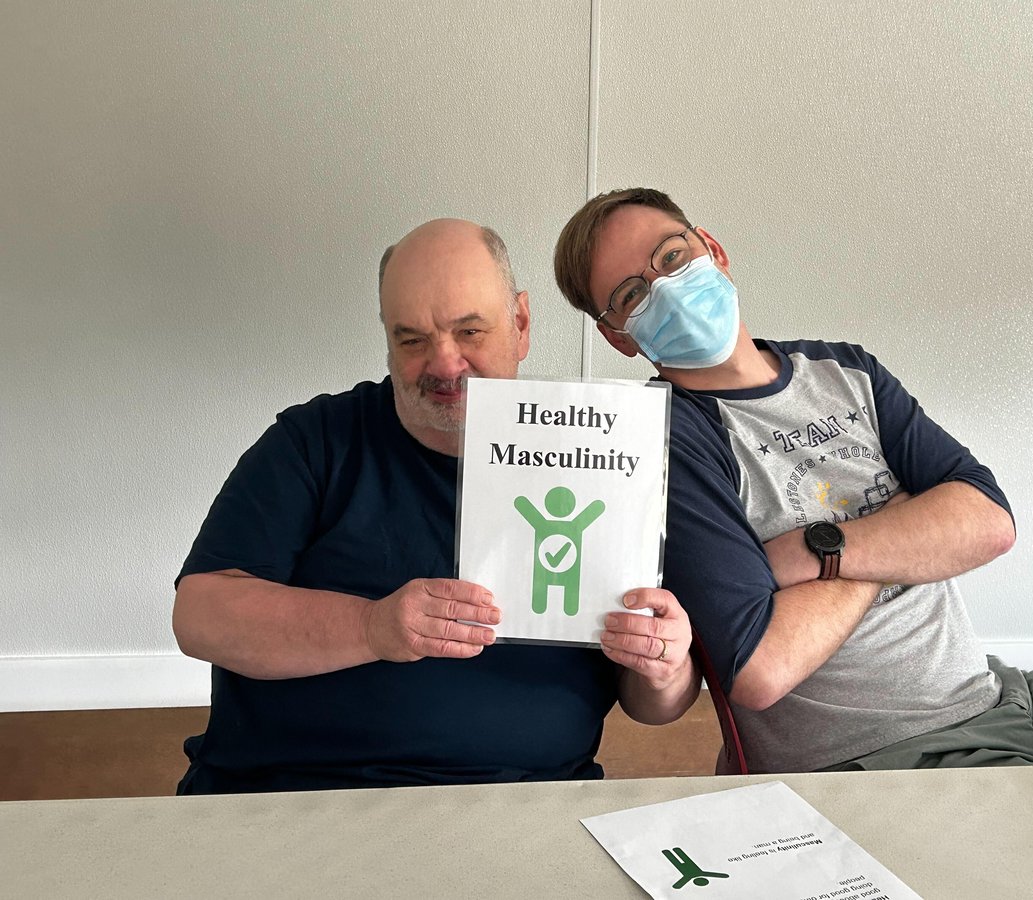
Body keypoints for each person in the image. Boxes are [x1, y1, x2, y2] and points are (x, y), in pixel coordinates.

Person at [554, 188, 1033, 774]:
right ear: (619, 338)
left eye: (672, 256)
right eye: (633, 294)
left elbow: (990, 524)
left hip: (1003, 691)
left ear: (713, 250)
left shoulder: (845, 370)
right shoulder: (665, 437)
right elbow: (760, 668)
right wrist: (906, 522)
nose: (665, 288)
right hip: (898, 750)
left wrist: (820, 551)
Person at [172, 218, 699, 794]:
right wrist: (372, 628)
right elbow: (201, 616)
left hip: (527, 798)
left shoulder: (613, 451)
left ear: (520, 324)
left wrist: (666, 666)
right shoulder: (316, 441)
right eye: (413, 340)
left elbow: (653, 704)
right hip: (296, 791)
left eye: (470, 332)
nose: (445, 365)